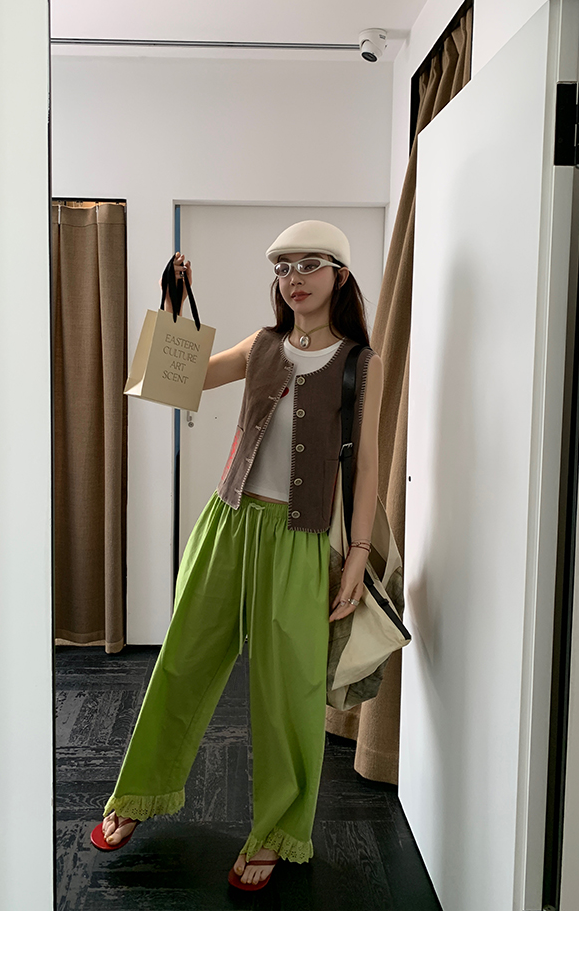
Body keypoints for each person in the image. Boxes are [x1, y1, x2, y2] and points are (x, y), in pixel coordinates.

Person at [96, 220, 384, 891]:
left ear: (339, 275)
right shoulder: (262, 345)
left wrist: (357, 555)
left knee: (290, 690)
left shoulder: (359, 364)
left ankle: (277, 831)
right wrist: (174, 306)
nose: (294, 278)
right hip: (228, 523)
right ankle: (137, 793)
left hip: (301, 539)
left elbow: (368, 464)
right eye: (283, 267)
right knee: (183, 660)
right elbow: (177, 381)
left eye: (309, 265)